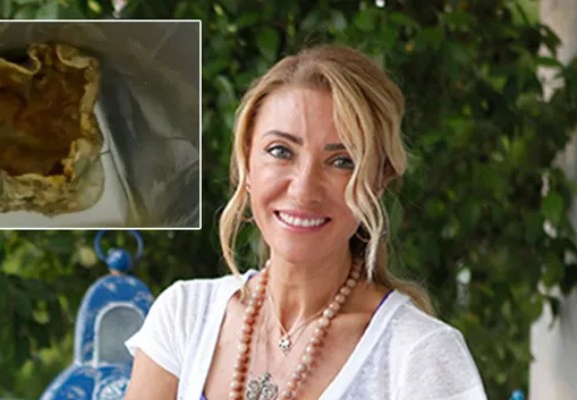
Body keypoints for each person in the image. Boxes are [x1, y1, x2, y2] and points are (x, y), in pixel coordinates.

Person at [124, 45, 487, 400]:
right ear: (247, 164)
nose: (303, 190)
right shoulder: (186, 316)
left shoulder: (417, 354)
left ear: (377, 182)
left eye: (342, 161)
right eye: (280, 151)